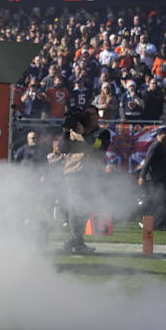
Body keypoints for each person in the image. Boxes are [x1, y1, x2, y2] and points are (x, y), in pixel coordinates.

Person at [59, 105, 110, 254]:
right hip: (75, 172)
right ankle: (77, 243)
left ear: (98, 116)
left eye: (92, 114)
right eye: (86, 114)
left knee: (88, 208)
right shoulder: (72, 132)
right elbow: (62, 148)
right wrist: (65, 132)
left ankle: (72, 242)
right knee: (77, 206)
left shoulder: (103, 132)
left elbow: (101, 146)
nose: (89, 117)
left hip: (94, 174)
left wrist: (85, 134)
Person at [138, 126, 166, 230]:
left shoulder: (162, 147)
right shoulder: (155, 146)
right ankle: (145, 222)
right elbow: (147, 162)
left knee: (160, 202)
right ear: (158, 135)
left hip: (160, 179)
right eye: (164, 134)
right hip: (153, 179)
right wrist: (142, 177)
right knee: (152, 202)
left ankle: (158, 224)